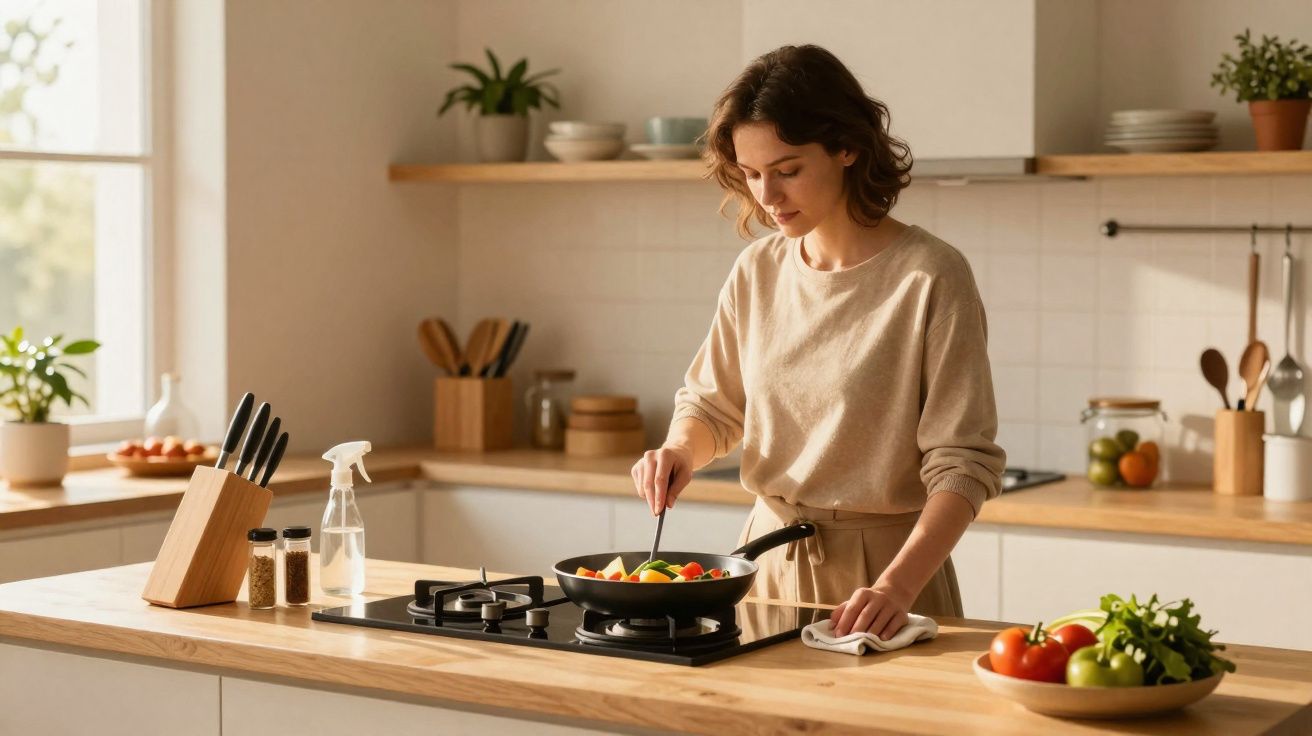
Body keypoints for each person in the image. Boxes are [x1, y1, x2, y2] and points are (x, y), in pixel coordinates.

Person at [630, 44, 1006, 640]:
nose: (767, 196)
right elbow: (713, 406)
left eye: (787, 170)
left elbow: (963, 465)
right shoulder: (757, 270)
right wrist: (679, 449)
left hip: (885, 584)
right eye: (752, 173)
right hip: (765, 566)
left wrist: (896, 587)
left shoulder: (931, 276)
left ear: (846, 147)